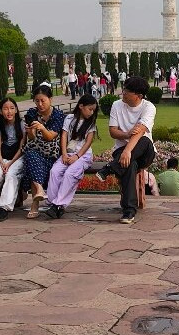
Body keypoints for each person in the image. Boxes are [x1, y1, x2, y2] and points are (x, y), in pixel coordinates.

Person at [95, 76, 157, 224]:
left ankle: (110, 167)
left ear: (139, 96)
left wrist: (128, 150)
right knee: (129, 164)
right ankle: (129, 211)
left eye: (127, 91)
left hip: (144, 151)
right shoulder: (117, 105)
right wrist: (127, 135)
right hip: (121, 150)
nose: (123, 92)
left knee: (144, 140)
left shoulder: (148, 107)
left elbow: (140, 131)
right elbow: (113, 131)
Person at [45, 95, 99, 218]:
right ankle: (54, 203)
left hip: (83, 156)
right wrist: (64, 154)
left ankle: (58, 205)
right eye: (90, 109)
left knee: (70, 174)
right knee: (55, 171)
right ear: (81, 106)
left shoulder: (91, 124)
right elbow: (64, 136)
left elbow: (88, 142)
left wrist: (77, 156)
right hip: (67, 153)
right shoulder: (69, 118)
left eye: (93, 110)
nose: (92, 112)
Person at [20, 85, 66, 219]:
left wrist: (41, 127)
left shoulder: (58, 115)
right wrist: (30, 131)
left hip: (52, 153)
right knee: (31, 155)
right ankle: (38, 190)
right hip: (35, 150)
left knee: (31, 161)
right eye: (37, 101)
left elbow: (50, 136)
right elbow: (32, 138)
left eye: (43, 100)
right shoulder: (32, 113)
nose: (40, 104)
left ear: (50, 99)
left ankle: (35, 200)